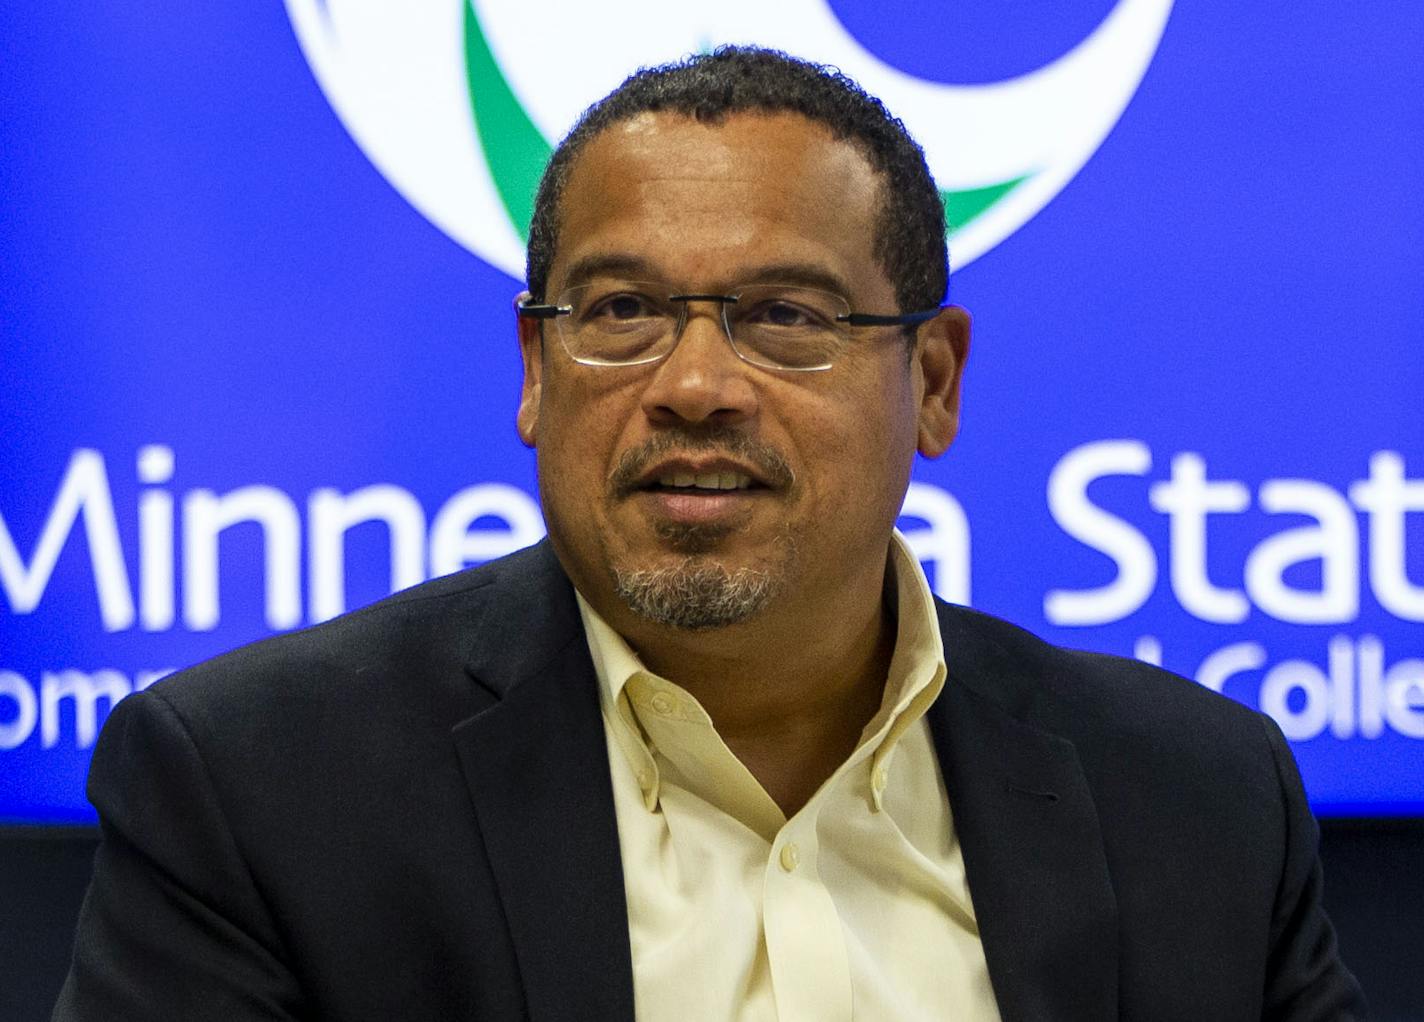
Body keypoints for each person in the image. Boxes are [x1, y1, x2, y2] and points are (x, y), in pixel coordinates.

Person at [55, 47, 1365, 1021]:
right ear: (533, 368)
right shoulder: (257, 792)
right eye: (620, 308)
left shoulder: (1197, 801)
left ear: (939, 384)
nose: (692, 383)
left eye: (788, 316)